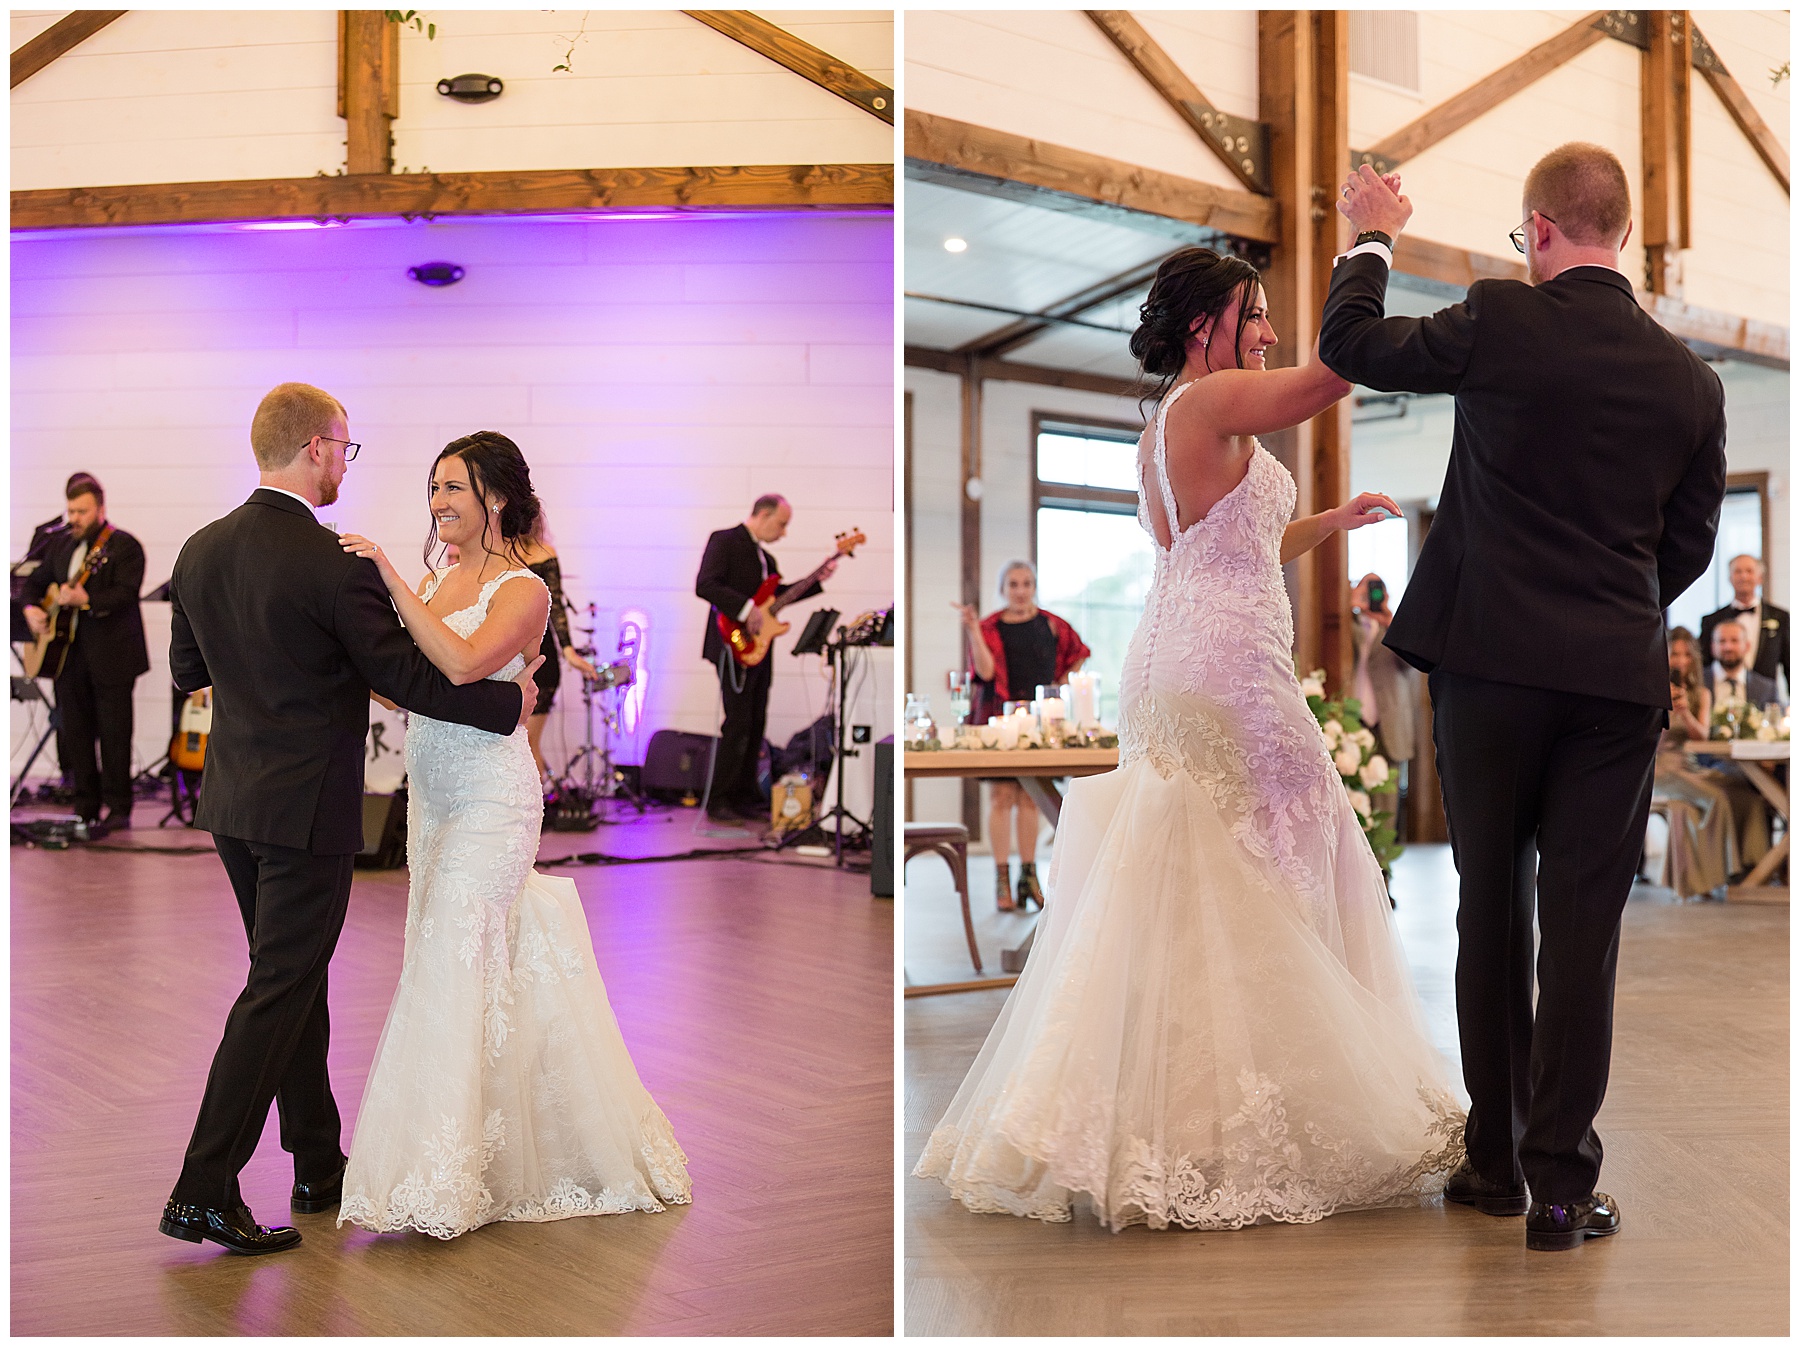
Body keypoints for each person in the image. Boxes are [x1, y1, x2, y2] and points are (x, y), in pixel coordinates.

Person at [917, 245, 1465, 1233]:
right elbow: (1335, 371)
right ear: (1200, 323)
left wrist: (1331, 518)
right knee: (1300, 847)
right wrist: (1370, 250)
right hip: (1227, 670)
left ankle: (1191, 1111)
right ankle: (1265, 1104)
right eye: (1251, 315)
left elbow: (1234, 543)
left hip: (1183, 660)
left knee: (1215, 870)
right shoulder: (1207, 404)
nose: (1265, 332)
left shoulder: (1178, 422)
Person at [1322, 143, 1727, 1251]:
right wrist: (1608, 609)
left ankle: (1493, 1167)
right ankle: (1560, 1193)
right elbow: (1683, 547)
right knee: (1585, 933)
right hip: (1614, 682)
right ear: (1625, 234)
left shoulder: (1502, 319)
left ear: (1540, 229)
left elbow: (1349, 344)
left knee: (1491, 908)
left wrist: (1373, 232)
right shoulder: (1692, 380)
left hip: (1492, 668)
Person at [160, 385, 538, 1256]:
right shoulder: (333, 562)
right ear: (321, 448)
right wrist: (505, 706)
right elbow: (408, 676)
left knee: (292, 978)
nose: (346, 463)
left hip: (233, 804)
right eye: (347, 448)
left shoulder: (199, 548)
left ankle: (318, 1160)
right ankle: (203, 1187)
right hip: (306, 808)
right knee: (280, 987)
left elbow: (189, 671)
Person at [336, 431, 690, 1237]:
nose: (438, 503)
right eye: (432, 489)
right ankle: (478, 1154)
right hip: (433, 794)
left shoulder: (523, 588)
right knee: (462, 957)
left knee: (451, 951)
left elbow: (459, 665)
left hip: (494, 799)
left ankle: (443, 1177)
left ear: (495, 496)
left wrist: (387, 576)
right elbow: (411, 687)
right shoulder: (440, 577)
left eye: (453, 488)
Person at [952, 561, 1091, 909]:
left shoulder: (1053, 625)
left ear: (1034, 587)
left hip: (1041, 719)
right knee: (1002, 796)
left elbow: (1079, 654)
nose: (1020, 590)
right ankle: (1002, 880)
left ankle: (1028, 876)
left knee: (1031, 796)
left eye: (1026, 583)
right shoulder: (988, 626)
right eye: (1013, 584)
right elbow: (985, 672)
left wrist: (1060, 686)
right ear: (1003, 589)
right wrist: (971, 630)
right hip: (1000, 718)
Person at [18, 472, 149, 834]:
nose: (74, 518)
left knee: (114, 734)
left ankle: (119, 808)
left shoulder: (124, 547)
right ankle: (84, 806)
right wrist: (31, 610)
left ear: (101, 509)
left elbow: (127, 593)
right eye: (71, 510)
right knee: (75, 733)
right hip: (68, 657)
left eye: (82, 511)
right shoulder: (58, 546)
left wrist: (86, 599)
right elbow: (32, 583)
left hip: (113, 657)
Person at [695, 494, 835, 825]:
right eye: (782, 524)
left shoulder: (766, 560)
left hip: (760, 649)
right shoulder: (724, 540)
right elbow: (705, 585)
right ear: (763, 514)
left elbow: (777, 596)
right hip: (731, 645)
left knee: (756, 721)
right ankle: (719, 799)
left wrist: (816, 580)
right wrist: (745, 609)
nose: (784, 532)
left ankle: (744, 794)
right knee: (737, 721)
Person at [511, 508, 599, 786]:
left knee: (526, 742)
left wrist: (570, 651)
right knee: (512, 743)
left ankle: (532, 814)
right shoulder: (498, 554)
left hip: (540, 655)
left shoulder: (545, 554)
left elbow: (556, 605)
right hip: (504, 652)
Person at [1651, 628, 1735, 899]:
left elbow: (1702, 736)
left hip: (1688, 766)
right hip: (1662, 768)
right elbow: (1653, 742)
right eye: (1675, 653)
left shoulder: (1702, 693)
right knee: (1717, 799)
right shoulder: (1652, 689)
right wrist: (1664, 710)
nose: (1680, 660)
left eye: (1686, 654)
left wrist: (1685, 712)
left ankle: (1702, 880)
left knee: (1726, 790)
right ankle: (1719, 876)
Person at [1702, 621, 1776, 876]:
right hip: (1708, 766)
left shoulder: (1766, 687)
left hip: (1757, 771)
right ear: (1713, 647)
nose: (1728, 647)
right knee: (1744, 795)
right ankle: (1752, 870)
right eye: (1722, 641)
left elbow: (1775, 729)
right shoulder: (1700, 683)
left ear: (1747, 645)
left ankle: (1763, 869)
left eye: (1734, 641)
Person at [1349, 571, 1416, 835]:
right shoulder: (1348, 625)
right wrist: (1351, 606)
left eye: (1377, 590)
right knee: (1353, 800)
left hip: (1389, 723)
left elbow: (1410, 664)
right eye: (1366, 589)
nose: (1372, 596)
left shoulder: (1396, 626)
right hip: (1354, 723)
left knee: (1387, 803)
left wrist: (1390, 621)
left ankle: (1383, 867)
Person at [1699, 555, 1788, 695]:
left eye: (1749, 571)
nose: (1744, 576)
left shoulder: (1780, 618)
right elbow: (1704, 664)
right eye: (1738, 571)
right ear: (1729, 578)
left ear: (1760, 578)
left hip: (1765, 697)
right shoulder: (1711, 620)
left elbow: (1790, 665)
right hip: (1720, 697)